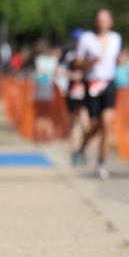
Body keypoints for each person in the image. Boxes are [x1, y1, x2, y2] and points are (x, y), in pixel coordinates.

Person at [74, 8, 122, 180]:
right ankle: (83, 145)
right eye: (99, 19)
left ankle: (102, 163)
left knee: (107, 124)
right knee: (94, 125)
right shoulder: (87, 38)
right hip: (92, 83)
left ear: (111, 22)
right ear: (95, 22)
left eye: (105, 19)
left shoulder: (116, 38)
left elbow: (116, 60)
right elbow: (77, 62)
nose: (102, 22)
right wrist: (89, 62)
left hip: (108, 83)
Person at [59, 29, 90, 165]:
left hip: (86, 91)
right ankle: (74, 151)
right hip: (72, 91)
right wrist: (71, 75)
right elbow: (59, 70)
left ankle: (82, 149)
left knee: (85, 123)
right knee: (73, 124)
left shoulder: (88, 53)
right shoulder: (68, 54)